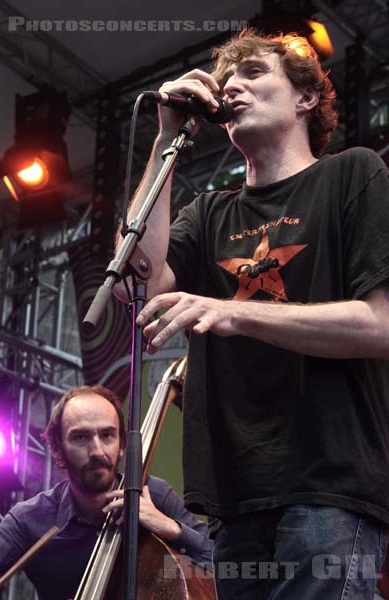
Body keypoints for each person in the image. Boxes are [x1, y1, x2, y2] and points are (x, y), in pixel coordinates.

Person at [114, 29, 389, 599]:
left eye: (254, 74)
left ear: (306, 97)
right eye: (226, 80)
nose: (232, 87)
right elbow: (133, 282)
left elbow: (380, 325)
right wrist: (167, 136)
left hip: (329, 487)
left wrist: (234, 313)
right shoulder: (209, 211)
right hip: (232, 496)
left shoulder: (352, 175)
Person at [0, 385, 213, 599]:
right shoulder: (30, 519)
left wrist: (172, 529)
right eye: (81, 437)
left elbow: (231, 567)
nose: (97, 451)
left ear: (122, 444)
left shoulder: (154, 495)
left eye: (107, 435)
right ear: (57, 450)